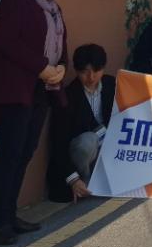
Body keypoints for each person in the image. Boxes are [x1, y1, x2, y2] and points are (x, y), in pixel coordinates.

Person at [0, 0, 69, 244]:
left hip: (41, 92)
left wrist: (61, 68)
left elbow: (60, 45)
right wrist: (42, 68)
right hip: (13, 90)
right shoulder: (15, 1)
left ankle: (10, 214)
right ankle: (0, 223)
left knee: (25, 153)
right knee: (9, 155)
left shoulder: (54, 9)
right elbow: (7, 42)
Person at [49, 44, 115, 204]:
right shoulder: (68, 96)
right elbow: (58, 142)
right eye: (85, 72)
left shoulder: (112, 85)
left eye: (96, 71)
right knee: (88, 140)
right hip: (81, 156)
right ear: (77, 70)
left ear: (103, 68)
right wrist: (73, 179)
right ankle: (85, 182)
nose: (91, 77)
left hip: (108, 149)